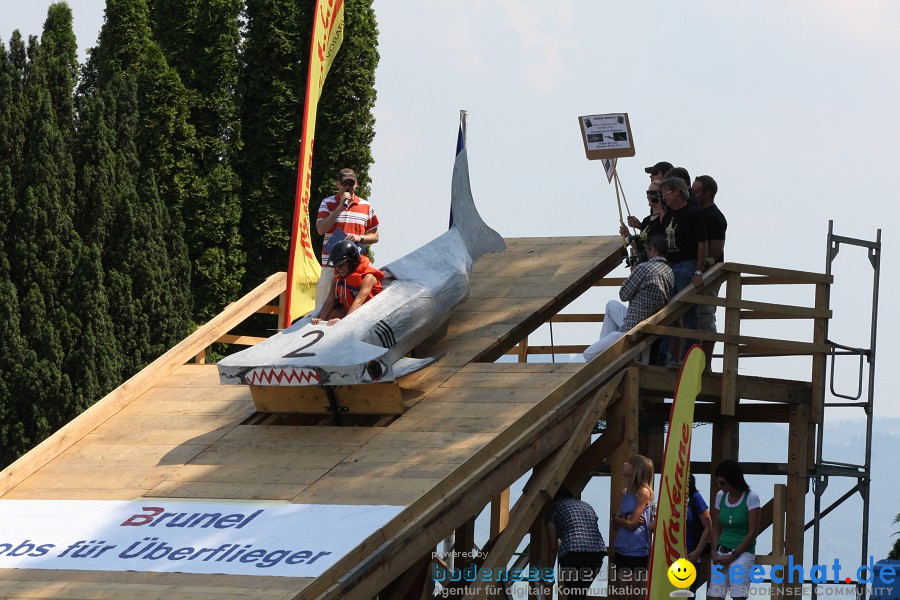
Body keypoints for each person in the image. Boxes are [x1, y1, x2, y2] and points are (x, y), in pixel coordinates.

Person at [583, 236, 674, 361]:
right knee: (611, 305)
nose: (646, 254)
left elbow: (623, 295)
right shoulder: (669, 271)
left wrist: (633, 273)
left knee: (588, 354)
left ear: (653, 250)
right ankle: (606, 348)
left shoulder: (644, 268)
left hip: (633, 328)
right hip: (648, 321)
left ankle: (605, 359)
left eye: (647, 251)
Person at [658, 177, 708, 364]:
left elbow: (702, 244)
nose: (664, 197)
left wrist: (698, 271)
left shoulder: (692, 213)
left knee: (688, 312)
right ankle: (666, 356)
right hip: (669, 266)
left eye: (666, 193)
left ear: (677, 192)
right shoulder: (669, 215)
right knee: (665, 311)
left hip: (686, 265)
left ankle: (690, 357)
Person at [315, 168, 380, 308]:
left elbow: (375, 236)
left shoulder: (366, 206)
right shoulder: (327, 203)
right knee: (322, 309)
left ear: (356, 185)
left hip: (355, 269)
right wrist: (339, 207)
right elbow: (321, 229)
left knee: (352, 309)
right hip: (331, 266)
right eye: (345, 183)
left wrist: (360, 237)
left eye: (351, 183)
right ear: (338, 184)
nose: (348, 187)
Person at [709, 460, 760, 600]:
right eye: (718, 482)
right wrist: (713, 549)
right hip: (721, 550)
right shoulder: (720, 496)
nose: (719, 486)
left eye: (723, 483)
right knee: (715, 596)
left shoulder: (751, 498)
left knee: (738, 596)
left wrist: (733, 556)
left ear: (733, 480)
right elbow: (717, 527)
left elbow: (752, 532)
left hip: (741, 552)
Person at [545, 487, 607, 600]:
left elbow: (553, 547)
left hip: (573, 554)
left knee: (574, 593)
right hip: (597, 553)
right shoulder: (586, 505)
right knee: (579, 593)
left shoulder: (553, 508)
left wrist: (549, 574)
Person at [692, 175, 727, 370]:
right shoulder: (698, 214)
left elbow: (715, 249)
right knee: (696, 316)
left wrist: (701, 267)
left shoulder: (715, 217)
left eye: (696, 191)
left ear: (708, 193)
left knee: (706, 316)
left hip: (709, 275)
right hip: (698, 273)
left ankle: (706, 366)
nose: (693, 195)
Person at [611, 455, 654, 600]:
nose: (624, 463)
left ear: (636, 469)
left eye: (628, 463)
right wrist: (623, 518)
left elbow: (632, 524)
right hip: (621, 548)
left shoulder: (643, 493)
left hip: (637, 551)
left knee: (634, 593)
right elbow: (615, 525)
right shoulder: (625, 492)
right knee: (622, 594)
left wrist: (620, 518)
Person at [311, 240, 384, 326]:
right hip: (352, 314)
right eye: (336, 265)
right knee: (333, 314)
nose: (339, 268)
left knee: (336, 318)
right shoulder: (337, 279)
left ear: (352, 262)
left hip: (370, 317)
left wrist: (343, 323)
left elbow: (358, 302)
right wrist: (320, 319)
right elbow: (329, 301)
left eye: (342, 264)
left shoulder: (368, 278)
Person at [686, 473, 712, 594]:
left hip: (691, 556)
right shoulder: (670, 501)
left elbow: (708, 526)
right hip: (671, 557)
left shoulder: (695, 498)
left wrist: (697, 552)